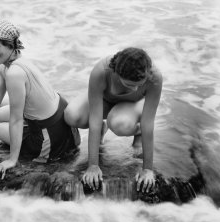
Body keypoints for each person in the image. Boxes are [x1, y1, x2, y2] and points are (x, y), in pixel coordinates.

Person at [0, 20, 79, 180]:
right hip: (61, 117)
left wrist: (12, 160)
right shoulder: (4, 66)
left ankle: (35, 142)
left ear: (11, 45)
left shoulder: (15, 73)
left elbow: (16, 119)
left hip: (53, 136)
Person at [64, 47, 162, 193]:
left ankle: (137, 130)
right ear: (116, 72)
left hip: (131, 106)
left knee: (119, 124)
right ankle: (104, 129)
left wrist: (148, 169)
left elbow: (148, 123)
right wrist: (93, 165)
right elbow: (95, 119)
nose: (135, 89)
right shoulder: (101, 71)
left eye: (140, 85)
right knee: (72, 116)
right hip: (104, 101)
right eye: (129, 84)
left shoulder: (154, 77)